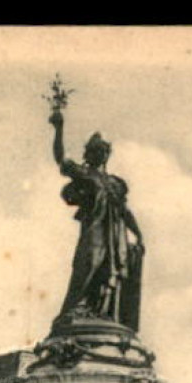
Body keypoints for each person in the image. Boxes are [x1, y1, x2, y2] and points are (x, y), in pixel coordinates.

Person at [49, 103, 144, 329]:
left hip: (115, 236)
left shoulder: (115, 184)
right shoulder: (85, 174)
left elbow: (125, 211)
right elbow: (61, 159)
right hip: (95, 231)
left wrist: (138, 235)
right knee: (88, 264)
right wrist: (59, 128)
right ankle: (73, 310)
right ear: (89, 154)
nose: (100, 154)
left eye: (103, 150)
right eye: (95, 150)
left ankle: (102, 314)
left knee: (111, 273)